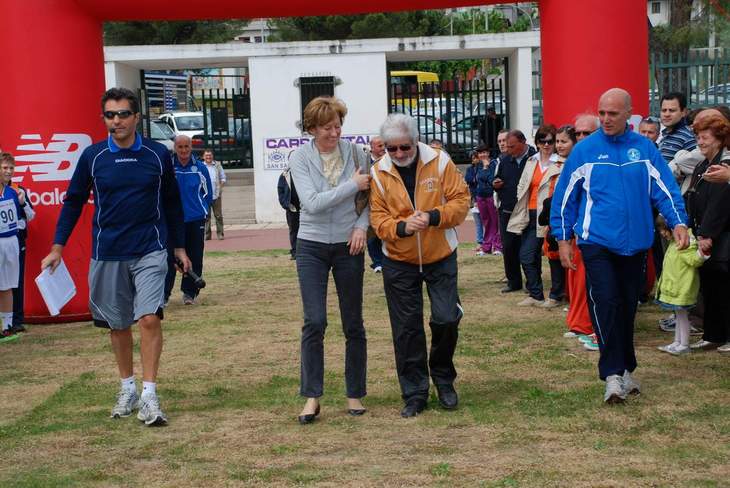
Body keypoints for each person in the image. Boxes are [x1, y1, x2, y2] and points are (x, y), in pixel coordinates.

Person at [41, 87, 190, 425]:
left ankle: (150, 395)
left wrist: (179, 248)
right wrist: (57, 247)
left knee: (149, 318)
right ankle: (128, 388)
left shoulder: (157, 154)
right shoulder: (93, 157)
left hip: (151, 250)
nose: (117, 120)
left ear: (137, 117)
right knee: (118, 324)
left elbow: (172, 203)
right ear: (104, 118)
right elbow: (74, 202)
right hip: (107, 253)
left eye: (123, 114)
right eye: (110, 115)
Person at [551, 88, 688, 404]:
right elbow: (564, 199)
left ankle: (626, 368)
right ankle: (612, 374)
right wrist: (562, 239)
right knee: (606, 302)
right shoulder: (585, 152)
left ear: (629, 114)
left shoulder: (644, 149)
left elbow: (665, 189)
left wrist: (678, 221)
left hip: (636, 243)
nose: (605, 119)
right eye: (601, 113)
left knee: (627, 306)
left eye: (612, 113)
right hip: (596, 242)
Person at [369, 113, 470, 418]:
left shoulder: (440, 161)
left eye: (404, 147)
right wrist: (401, 228)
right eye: (392, 149)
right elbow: (377, 218)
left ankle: (443, 379)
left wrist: (433, 217)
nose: (399, 154)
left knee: (445, 319)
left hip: (440, 256)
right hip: (399, 261)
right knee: (406, 329)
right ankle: (414, 392)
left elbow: (461, 201)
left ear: (415, 140)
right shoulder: (378, 172)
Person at [288, 96, 370, 424]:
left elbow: (370, 197)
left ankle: (355, 393)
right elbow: (312, 203)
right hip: (311, 245)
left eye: (338, 126)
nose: (335, 133)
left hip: (349, 245)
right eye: (326, 128)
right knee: (315, 321)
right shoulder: (300, 158)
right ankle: (312, 397)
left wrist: (362, 227)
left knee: (354, 322)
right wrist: (352, 185)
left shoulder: (357, 153)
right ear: (311, 128)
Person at [685, 115, 730, 354]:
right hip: (705, 233)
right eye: (698, 137)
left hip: (721, 237)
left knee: (724, 289)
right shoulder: (703, 164)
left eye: (705, 138)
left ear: (719, 139)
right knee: (710, 288)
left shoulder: (724, 165)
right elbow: (694, 196)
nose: (700, 142)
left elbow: (720, 203)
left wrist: (707, 233)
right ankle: (713, 334)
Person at [508, 125, 560, 306]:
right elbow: (522, 186)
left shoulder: (561, 162)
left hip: (549, 213)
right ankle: (535, 293)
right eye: (542, 141)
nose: (546, 145)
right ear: (537, 142)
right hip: (529, 213)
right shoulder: (531, 161)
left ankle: (556, 295)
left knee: (554, 255)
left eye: (550, 141)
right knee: (527, 255)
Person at [164, 135, 213, 306]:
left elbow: (208, 193)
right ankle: (164, 295)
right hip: (172, 220)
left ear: (191, 147)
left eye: (186, 147)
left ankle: (190, 293)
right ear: (175, 148)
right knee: (168, 258)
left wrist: (203, 210)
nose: (183, 150)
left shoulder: (200, 168)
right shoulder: (168, 168)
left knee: (195, 256)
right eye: (180, 147)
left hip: (195, 219)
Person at [654, 216, 708, 355]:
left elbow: (694, 260)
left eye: (664, 230)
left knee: (683, 316)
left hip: (683, 288)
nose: (662, 234)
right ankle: (677, 342)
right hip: (677, 288)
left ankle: (684, 344)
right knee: (679, 316)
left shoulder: (686, 242)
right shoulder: (674, 242)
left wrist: (702, 253)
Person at [493, 130, 536, 294]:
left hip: (527, 210)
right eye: (507, 146)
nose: (508, 149)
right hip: (507, 210)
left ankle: (532, 282)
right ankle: (513, 281)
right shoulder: (504, 160)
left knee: (528, 249)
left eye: (512, 146)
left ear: (523, 142)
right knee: (509, 247)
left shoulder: (534, 158)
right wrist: (495, 183)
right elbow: (496, 179)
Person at [1, 154, 35, 333]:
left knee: (15, 281)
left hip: (16, 240)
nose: (8, 171)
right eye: (5, 168)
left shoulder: (17, 189)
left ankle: (15, 321)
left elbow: (31, 215)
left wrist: (22, 204)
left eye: (11, 168)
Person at [475, 144, 502, 256]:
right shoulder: (478, 165)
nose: (483, 155)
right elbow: (477, 180)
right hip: (480, 196)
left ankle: (497, 247)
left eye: (484, 152)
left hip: (491, 196)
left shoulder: (493, 164)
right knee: (486, 222)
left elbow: (491, 180)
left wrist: (486, 168)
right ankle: (486, 247)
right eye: (480, 153)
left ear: (488, 153)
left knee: (495, 222)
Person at [366, 136, 386, 272]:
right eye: (379, 146)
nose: (383, 148)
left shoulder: (390, 161)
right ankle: (377, 262)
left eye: (384, 145)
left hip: (387, 205)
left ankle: (389, 260)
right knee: (372, 236)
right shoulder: (365, 164)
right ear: (372, 148)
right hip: (370, 205)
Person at [659, 92, 697, 163]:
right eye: (664, 110)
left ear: (684, 112)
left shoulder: (688, 137)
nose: (667, 114)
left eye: (672, 110)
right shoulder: (665, 134)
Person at [277, 166, 300, 260]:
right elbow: (280, 189)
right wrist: (285, 204)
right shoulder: (285, 175)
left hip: (306, 207)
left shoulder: (306, 170)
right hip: (292, 208)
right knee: (294, 230)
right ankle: (295, 252)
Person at [202, 150, 226, 241]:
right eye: (206, 156)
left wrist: (221, 186)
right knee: (206, 216)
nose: (208, 157)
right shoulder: (200, 166)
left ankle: (220, 234)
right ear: (203, 157)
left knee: (218, 215)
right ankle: (207, 235)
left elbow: (223, 177)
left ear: (212, 156)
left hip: (216, 195)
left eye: (210, 155)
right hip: (205, 195)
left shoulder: (217, 165)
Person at [464, 151, 485, 254]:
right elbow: (468, 179)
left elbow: (483, 179)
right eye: (472, 158)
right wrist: (475, 179)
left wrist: (476, 179)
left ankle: (487, 242)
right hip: (475, 199)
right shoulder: (470, 169)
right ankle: (480, 242)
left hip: (484, 197)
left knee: (486, 221)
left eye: (476, 157)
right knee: (478, 222)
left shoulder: (483, 167)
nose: (474, 159)